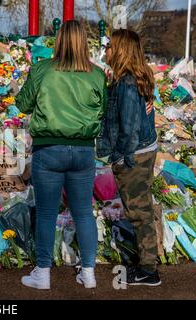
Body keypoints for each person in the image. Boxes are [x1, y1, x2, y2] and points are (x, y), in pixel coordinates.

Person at [15, 20, 107, 290]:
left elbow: (22, 104)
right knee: (83, 213)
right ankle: (88, 272)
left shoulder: (43, 70)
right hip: (82, 150)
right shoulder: (97, 74)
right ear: (84, 42)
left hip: (49, 148)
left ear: (59, 40)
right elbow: (101, 111)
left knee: (46, 213)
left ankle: (42, 273)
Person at [97, 29, 161, 286]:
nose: (105, 51)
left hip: (134, 153)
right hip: (145, 148)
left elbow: (130, 128)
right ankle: (147, 264)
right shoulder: (136, 77)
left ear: (121, 50)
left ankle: (148, 269)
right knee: (140, 207)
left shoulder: (126, 83)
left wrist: (120, 158)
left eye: (110, 46)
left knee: (138, 210)